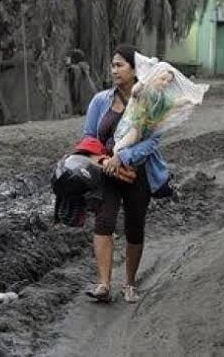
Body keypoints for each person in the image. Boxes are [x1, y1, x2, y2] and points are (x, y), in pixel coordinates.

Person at [81, 43, 170, 303]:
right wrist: (100, 159)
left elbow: (152, 142)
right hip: (107, 172)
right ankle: (104, 285)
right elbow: (89, 136)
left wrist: (123, 157)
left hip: (137, 174)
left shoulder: (153, 100)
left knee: (134, 228)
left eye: (120, 65)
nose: (114, 70)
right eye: (113, 65)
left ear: (134, 69)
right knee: (103, 222)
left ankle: (129, 284)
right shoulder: (101, 101)